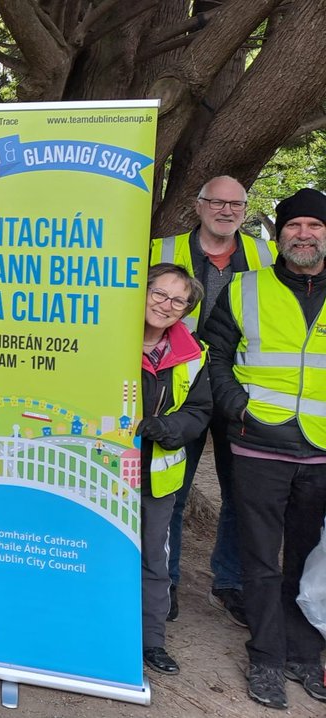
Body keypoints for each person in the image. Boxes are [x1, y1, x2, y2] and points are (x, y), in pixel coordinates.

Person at [205, 187, 326, 709]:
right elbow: (214, 356)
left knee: (309, 559)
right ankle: (267, 658)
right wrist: (238, 409)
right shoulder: (244, 288)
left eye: (314, 226)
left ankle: (304, 654)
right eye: (294, 226)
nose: (304, 234)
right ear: (279, 235)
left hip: (320, 449)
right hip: (259, 444)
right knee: (260, 559)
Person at [150, 176, 275, 625]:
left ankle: (230, 583)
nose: (226, 211)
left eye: (236, 204)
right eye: (217, 202)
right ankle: (165, 582)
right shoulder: (162, 250)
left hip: (240, 386)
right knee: (171, 491)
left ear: (245, 210)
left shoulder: (265, 254)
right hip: (180, 387)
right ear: (198, 206)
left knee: (242, 493)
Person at [135, 264, 212, 677]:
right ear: (141, 292)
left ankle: (151, 641)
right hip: (104, 473)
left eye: (177, 300)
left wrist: (168, 428)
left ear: (186, 310)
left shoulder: (194, 353)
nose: (165, 305)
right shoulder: (106, 337)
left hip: (157, 477)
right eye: (158, 294)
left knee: (154, 561)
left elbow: (200, 410)